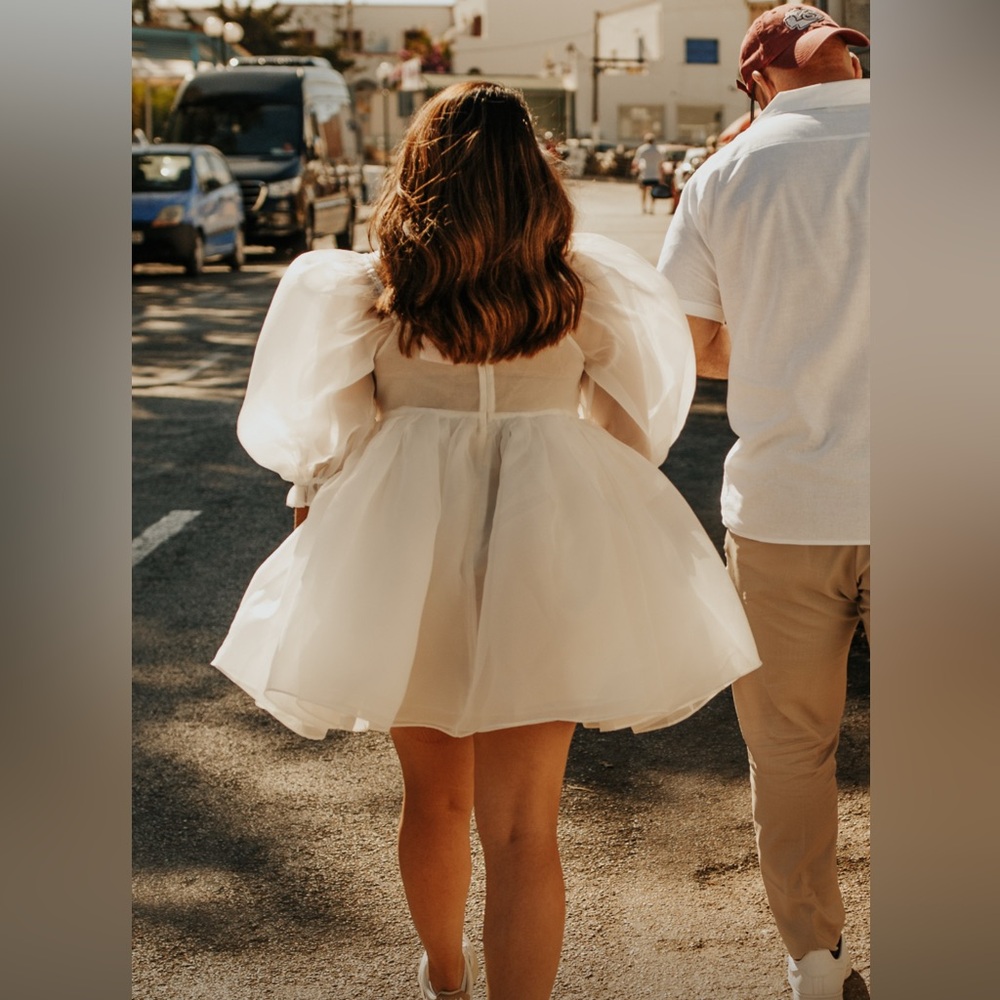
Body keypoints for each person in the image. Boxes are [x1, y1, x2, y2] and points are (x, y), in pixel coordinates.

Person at [213, 81, 760, 1000]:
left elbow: (322, 441)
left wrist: (317, 526)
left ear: (423, 170)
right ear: (533, 177)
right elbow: (635, 433)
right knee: (523, 827)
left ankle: (445, 976)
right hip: (548, 548)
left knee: (434, 799)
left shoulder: (375, 290)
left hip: (404, 553)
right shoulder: (581, 288)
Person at [656, 7, 870, 1000]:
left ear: (760, 80)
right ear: (851, 62)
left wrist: (783, 341)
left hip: (784, 508)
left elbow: (691, 345)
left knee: (788, 751)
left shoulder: (723, 174)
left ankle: (815, 963)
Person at [629, 131, 665, 214]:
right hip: (655, 174)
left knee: (643, 191)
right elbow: (661, 163)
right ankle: (652, 208)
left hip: (645, 174)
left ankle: (644, 207)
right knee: (654, 192)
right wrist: (661, 175)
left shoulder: (642, 149)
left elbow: (636, 161)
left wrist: (636, 171)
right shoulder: (659, 150)